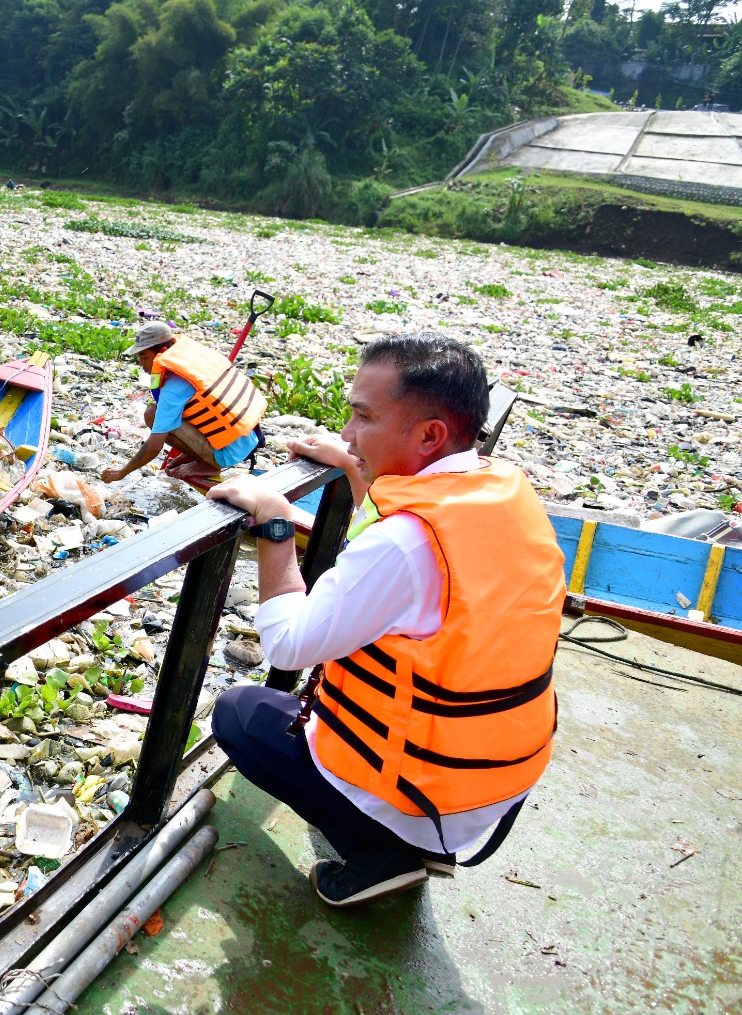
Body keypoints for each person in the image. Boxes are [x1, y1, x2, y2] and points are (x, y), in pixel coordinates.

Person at [205, 333, 564, 908]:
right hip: (496, 779)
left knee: (240, 714)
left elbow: (289, 646)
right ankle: (396, 831)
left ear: (429, 435)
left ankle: (381, 854)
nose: (347, 433)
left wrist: (274, 525)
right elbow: (408, 539)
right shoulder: (500, 489)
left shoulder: (405, 543)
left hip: (426, 796)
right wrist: (357, 465)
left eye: (363, 418)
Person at [100, 322, 265, 487]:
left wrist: (122, 472)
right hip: (248, 437)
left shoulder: (173, 389)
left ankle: (210, 464)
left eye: (144, 357)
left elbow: (154, 445)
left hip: (228, 453)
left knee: (152, 414)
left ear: (163, 352)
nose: (141, 365)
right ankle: (200, 457)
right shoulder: (193, 358)